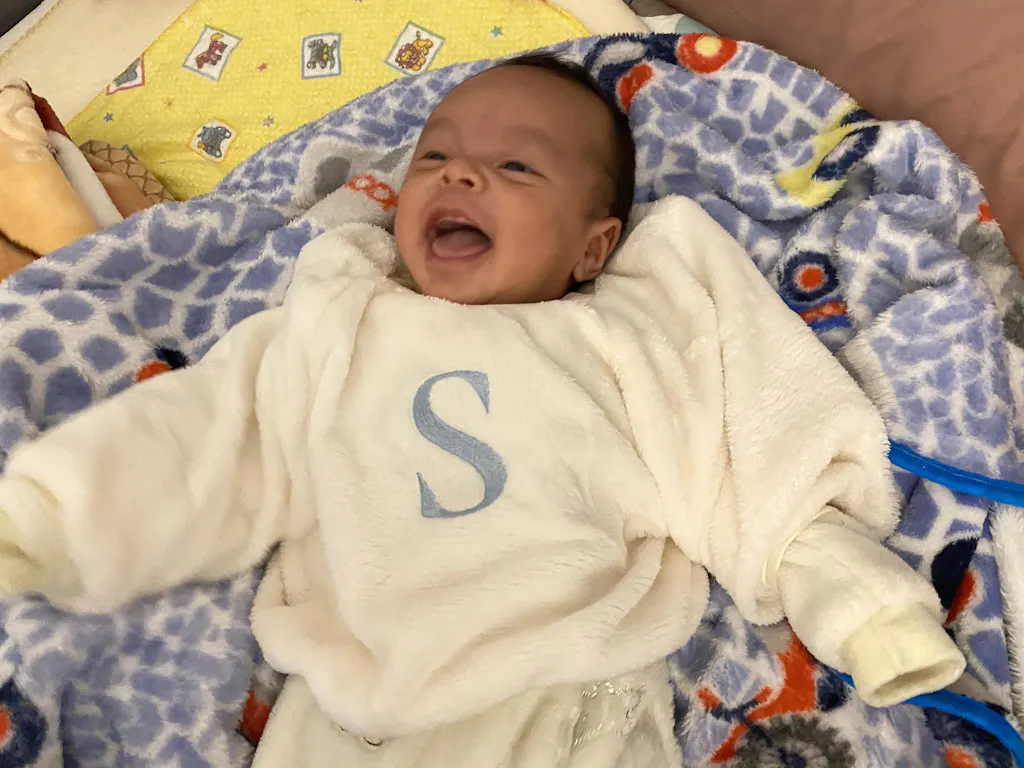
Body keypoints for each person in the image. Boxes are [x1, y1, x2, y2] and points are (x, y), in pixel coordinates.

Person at [0, 54, 964, 766]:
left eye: (517, 169)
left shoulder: (617, 343)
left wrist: (863, 609)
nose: (460, 175)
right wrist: (59, 517)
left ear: (593, 248)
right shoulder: (341, 326)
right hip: (351, 716)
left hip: (564, 700)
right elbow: (212, 436)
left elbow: (742, 474)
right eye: (437, 157)